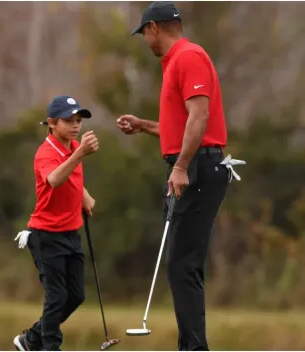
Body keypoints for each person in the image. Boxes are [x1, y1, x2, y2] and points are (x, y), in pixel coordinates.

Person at [117, 2, 243, 351]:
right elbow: (183, 127)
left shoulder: (188, 57)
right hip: (191, 165)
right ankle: (192, 346)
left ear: (155, 28)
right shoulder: (174, 63)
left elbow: (200, 118)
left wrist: (181, 167)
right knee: (180, 265)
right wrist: (144, 127)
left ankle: (193, 348)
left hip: (198, 169)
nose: (145, 40)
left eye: (144, 33)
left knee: (181, 265)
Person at [13, 95, 99, 351]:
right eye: (68, 121)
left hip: (71, 233)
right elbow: (53, 179)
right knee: (57, 297)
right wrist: (81, 153)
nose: (75, 126)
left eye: (78, 120)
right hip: (46, 235)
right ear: (51, 123)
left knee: (76, 296)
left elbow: (70, 178)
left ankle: (31, 339)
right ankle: (49, 347)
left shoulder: (72, 146)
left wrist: (83, 195)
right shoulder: (46, 152)